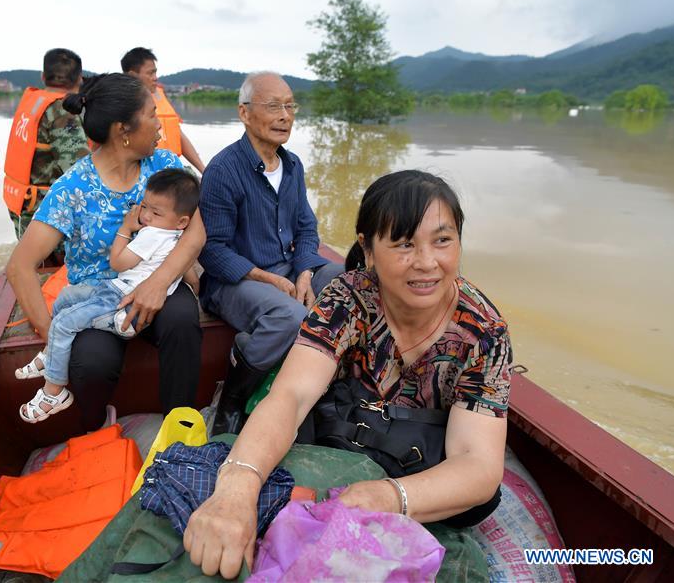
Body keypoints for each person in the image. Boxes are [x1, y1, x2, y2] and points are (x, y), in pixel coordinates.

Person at [184, 171, 513, 579]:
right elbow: (291, 396)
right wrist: (236, 489)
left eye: (442, 240)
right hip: (346, 435)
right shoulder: (346, 298)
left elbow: (478, 465)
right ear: (368, 249)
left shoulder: (483, 331)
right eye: (404, 243)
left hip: (420, 464)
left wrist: (390, 496)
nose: (427, 263)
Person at [6, 73, 205, 431]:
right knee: (90, 362)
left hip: (156, 280)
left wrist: (158, 283)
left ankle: (178, 428)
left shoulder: (165, 166)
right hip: (98, 295)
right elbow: (20, 267)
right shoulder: (73, 188)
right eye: (150, 115)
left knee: (181, 320)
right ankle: (95, 431)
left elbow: (200, 224)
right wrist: (53, 336)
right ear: (122, 129)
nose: (160, 125)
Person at [198, 71, 343, 435]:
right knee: (291, 315)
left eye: (290, 106)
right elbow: (212, 251)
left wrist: (305, 272)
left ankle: (323, 390)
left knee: (347, 284)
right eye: (274, 106)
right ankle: (232, 401)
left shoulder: (292, 166)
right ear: (245, 113)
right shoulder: (223, 170)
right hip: (234, 280)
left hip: (285, 267)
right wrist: (269, 278)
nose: (285, 115)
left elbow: (307, 228)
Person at [13, 169, 201, 423]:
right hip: (115, 289)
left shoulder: (152, 234)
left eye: (154, 213)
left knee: (64, 321)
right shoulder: (176, 232)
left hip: (118, 300)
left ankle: (54, 390)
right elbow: (186, 261)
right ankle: (52, 353)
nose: (145, 216)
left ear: (182, 221)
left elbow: (119, 261)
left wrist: (125, 227)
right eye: (143, 207)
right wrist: (193, 282)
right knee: (67, 297)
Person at [3, 48, 90, 240]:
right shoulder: (62, 110)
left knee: (28, 261)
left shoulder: (33, 103)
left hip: (20, 200)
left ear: (43, 77)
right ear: (79, 79)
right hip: (43, 210)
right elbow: (79, 169)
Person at [121, 47, 206, 173]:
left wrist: (203, 170)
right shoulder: (122, 104)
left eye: (155, 72)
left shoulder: (159, 94)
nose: (155, 78)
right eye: (150, 73)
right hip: (147, 172)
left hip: (172, 167)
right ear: (132, 75)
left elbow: (177, 134)